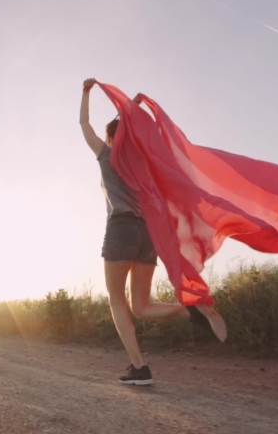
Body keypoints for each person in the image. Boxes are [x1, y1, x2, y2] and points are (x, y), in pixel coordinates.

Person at [79, 78, 227, 386]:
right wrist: (128, 107)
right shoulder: (143, 162)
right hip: (147, 233)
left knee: (117, 301)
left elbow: (83, 123)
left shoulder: (105, 157)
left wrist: (86, 93)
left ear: (110, 136)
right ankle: (191, 310)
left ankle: (139, 367)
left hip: (121, 230)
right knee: (141, 306)